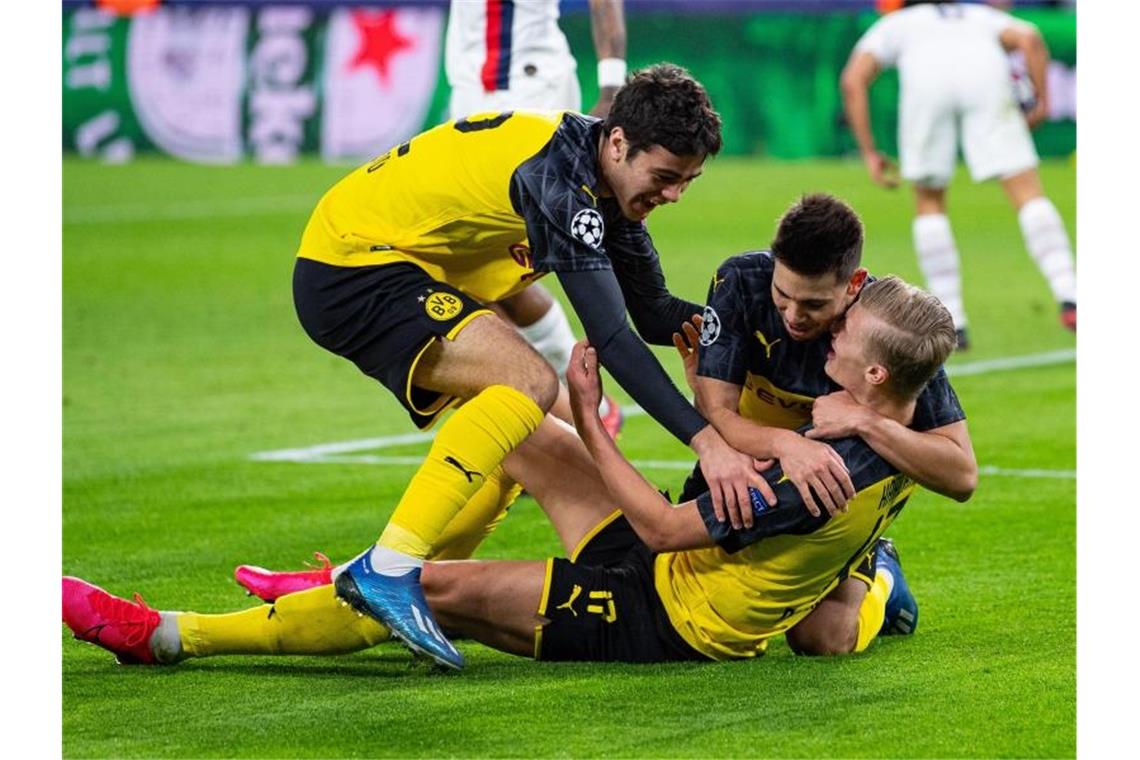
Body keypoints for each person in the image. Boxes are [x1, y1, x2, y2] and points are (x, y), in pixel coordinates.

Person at [62, 276, 957, 667]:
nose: (827, 333)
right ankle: (376, 570)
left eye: (843, 335)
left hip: (669, 615)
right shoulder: (909, 412)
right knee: (513, 433)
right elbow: (957, 466)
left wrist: (587, 410)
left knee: (443, 589)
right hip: (693, 568)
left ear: (873, 373)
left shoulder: (820, 471)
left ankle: (166, 635)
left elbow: (659, 528)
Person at [287, 63, 764, 670]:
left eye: (686, 182)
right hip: (351, 266)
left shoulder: (604, 185)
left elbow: (652, 314)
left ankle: (409, 576)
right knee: (531, 383)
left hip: (399, 271)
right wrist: (708, 443)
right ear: (618, 143)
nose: (672, 195)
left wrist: (760, 339)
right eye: (666, 177)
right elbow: (612, 338)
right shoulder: (560, 180)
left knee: (511, 419)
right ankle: (392, 567)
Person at [680, 193, 977, 654]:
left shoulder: (889, 328)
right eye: (783, 295)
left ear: (854, 283)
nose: (794, 316)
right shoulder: (740, 281)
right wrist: (786, 445)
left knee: (822, 641)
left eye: (815, 305)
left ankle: (883, 577)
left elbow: (961, 475)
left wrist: (864, 421)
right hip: (742, 468)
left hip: (828, 506)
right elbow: (717, 412)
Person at [840, 0, 1077, 349]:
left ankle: (954, 320)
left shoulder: (897, 24)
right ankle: (1070, 292)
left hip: (927, 85)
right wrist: (1040, 99)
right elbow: (1031, 40)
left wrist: (869, 151)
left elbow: (852, 80)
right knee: (1027, 192)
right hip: (985, 78)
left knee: (930, 201)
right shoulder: (978, 15)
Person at [446, 0, 629, 436]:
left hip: (528, 91)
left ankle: (559, 419)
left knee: (476, 272)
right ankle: (576, 413)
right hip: (471, 90)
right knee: (488, 275)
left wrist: (611, 85)